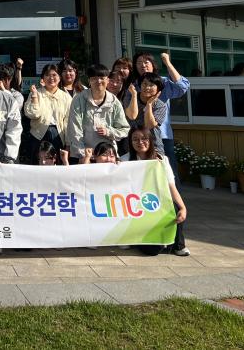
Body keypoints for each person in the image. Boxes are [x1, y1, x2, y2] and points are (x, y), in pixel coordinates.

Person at [122, 126, 189, 256]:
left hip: (155, 202)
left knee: (175, 208)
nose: (140, 142)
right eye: (135, 139)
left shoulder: (162, 160)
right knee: (151, 251)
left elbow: (171, 186)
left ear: (151, 140)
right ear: (130, 142)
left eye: (144, 138)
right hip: (134, 205)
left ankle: (179, 245)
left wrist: (183, 207)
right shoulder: (124, 160)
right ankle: (134, 238)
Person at [129, 51, 189, 180]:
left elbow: (182, 87)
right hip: (138, 138)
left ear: (153, 64)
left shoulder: (163, 82)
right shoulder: (133, 86)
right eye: (139, 62)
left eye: (146, 62)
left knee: (168, 174)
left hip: (162, 135)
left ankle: (174, 194)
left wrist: (167, 62)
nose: (143, 65)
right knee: (141, 175)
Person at [67, 65, 130, 162]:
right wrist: (84, 155)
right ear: (89, 81)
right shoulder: (79, 100)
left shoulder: (114, 102)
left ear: (107, 80)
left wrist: (109, 132)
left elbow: (124, 129)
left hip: (108, 156)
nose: (98, 81)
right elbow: (74, 131)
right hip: (85, 156)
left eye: (102, 78)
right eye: (94, 79)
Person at [23, 64, 72, 165]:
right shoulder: (36, 93)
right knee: (37, 166)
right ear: (43, 78)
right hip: (38, 135)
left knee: (56, 166)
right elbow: (33, 114)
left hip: (58, 136)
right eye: (47, 75)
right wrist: (34, 96)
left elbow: (68, 123)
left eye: (54, 75)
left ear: (59, 77)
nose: (51, 78)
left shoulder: (66, 97)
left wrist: (68, 144)